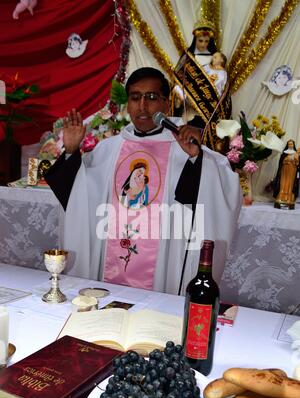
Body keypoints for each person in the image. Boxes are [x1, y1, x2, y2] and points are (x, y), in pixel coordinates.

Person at [45, 67, 241, 294]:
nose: (143, 106)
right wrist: (70, 152)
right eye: (135, 97)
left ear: (167, 105)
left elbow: (221, 191)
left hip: (162, 270)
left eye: (151, 97)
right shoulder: (108, 149)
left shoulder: (185, 147)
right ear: (127, 105)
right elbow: (80, 197)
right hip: (108, 267)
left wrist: (197, 160)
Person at [172, 21, 231, 151]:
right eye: (200, 41)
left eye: (206, 41)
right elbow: (178, 78)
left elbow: (223, 85)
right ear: (195, 40)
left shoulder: (217, 59)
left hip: (208, 109)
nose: (203, 44)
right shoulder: (188, 58)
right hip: (189, 110)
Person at [273, 139, 300, 209]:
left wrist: (295, 161)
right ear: (287, 145)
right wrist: (286, 162)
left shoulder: (296, 153)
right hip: (284, 170)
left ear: (293, 145)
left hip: (292, 171)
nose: (290, 145)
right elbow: (281, 163)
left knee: (290, 183)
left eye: (291, 144)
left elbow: (297, 164)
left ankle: (289, 198)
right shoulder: (284, 153)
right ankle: (280, 197)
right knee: (283, 183)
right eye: (289, 144)